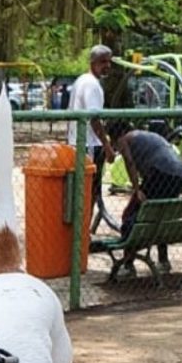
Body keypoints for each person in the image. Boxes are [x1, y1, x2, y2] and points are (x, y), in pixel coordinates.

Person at [112, 126, 182, 276]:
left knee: (130, 216)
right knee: (160, 214)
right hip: (180, 174)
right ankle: (163, 260)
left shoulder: (125, 139)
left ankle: (128, 264)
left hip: (161, 172)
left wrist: (136, 189)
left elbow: (129, 162)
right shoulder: (145, 136)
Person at [67, 45, 115, 231]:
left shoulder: (82, 80)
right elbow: (94, 118)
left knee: (84, 191)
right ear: (93, 63)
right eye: (103, 62)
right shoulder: (91, 85)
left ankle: (80, 232)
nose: (107, 66)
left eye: (109, 61)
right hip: (89, 146)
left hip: (77, 142)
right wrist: (107, 145)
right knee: (89, 192)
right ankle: (82, 232)